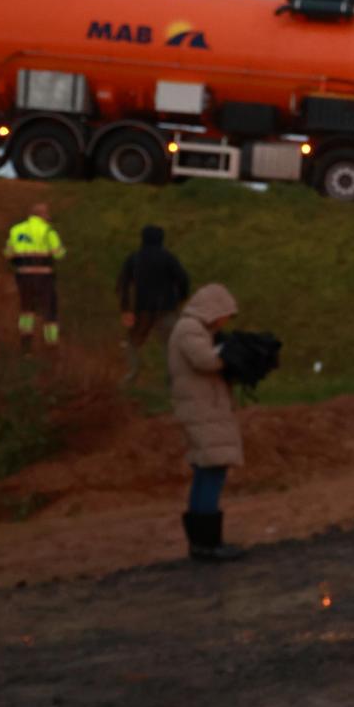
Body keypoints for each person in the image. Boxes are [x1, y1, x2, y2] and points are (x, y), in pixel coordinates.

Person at [168, 283, 245, 562]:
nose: (225, 321)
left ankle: (203, 543)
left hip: (202, 410)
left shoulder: (193, 329)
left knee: (206, 472)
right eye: (225, 314)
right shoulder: (190, 330)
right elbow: (206, 361)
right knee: (211, 473)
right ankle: (208, 544)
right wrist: (230, 353)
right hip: (203, 412)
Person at [116, 225, 190, 385]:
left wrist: (125, 308)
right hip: (167, 308)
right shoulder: (168, 257)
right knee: (171, 343)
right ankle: (172, 379)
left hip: (142, 309)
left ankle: (132, 374)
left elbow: (123, 283)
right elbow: (183, 279)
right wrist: (181, 298)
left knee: (132, 342)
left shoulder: (134, 258)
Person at [2, 202, 66, 352]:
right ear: (42, 215)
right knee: (50, 311)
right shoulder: (47, 231)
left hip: (23, 276)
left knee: (27, 309)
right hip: (44, 277)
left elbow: (7, 253)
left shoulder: (16, 230)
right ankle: (51, 346)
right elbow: (59, 254)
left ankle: (25, 346)